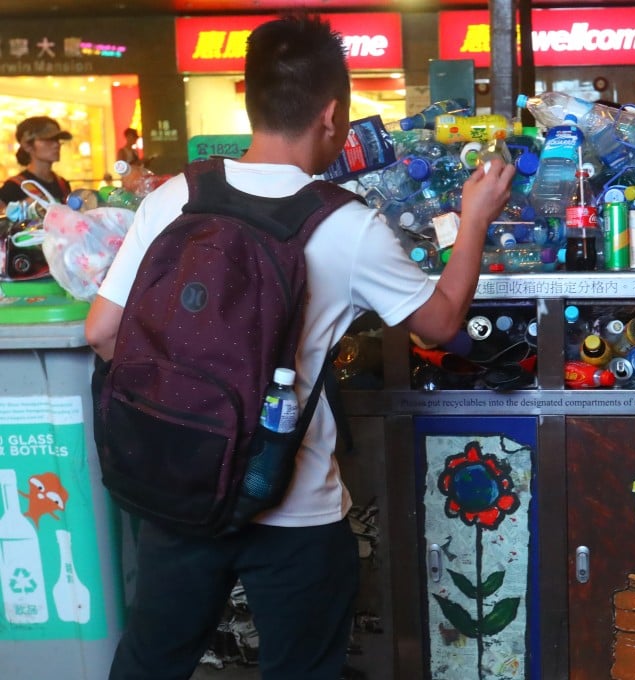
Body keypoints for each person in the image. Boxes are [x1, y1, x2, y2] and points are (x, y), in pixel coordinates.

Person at [84, 14, 514, 679]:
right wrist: (475, 217)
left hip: (182, 489)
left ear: (249, 100)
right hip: (294, 503)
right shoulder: (347, 224)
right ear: (332, 114)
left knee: (151, 662)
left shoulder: (176, 195)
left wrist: (192, 412)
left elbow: (102, 334)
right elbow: (442, 321)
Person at [0, 116, 72, 205]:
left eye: (57, 139)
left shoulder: (62, 184)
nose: (56, 145)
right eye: (48, 140)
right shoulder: (14, 186)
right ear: (27, 146)